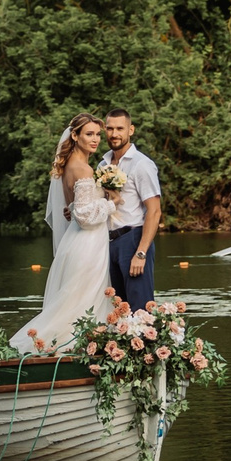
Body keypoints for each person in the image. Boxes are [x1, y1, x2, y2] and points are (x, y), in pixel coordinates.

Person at [9, 112, 118, 353]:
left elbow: (75, 209)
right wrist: (112, 203)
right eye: (89, 134)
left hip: (78, 241)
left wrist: (78, 208)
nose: (95, 139)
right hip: (87, 244)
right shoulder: (83, 169)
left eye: (98, 135)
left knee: (77, 299)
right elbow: (85, 217)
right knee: (82, 301)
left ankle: (76, 349)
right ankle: (68, 349)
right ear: (75, 136)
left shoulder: (70, 166)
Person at [100, 107, 162, 312]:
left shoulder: (141, 164)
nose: (114, 134)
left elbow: (154, 211)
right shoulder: (102, 165)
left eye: (120, 128)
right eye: (110, 129)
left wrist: (141, 253)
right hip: (108, 244)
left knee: (140, 310)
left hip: (133, 240)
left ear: (131, 130)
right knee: (117, 312)